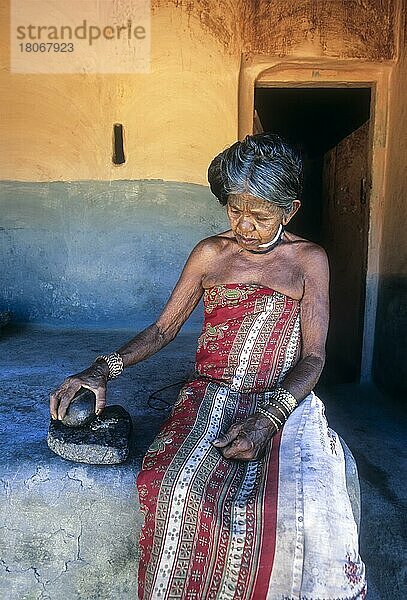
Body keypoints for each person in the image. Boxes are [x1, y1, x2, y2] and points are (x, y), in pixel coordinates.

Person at [50, 133, 366, 599]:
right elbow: (162, 330)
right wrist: (101, 368)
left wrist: (267, 420)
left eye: (260, 215)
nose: (244, 225)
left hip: (282, 401)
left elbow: (314, 357)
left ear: (290, 209)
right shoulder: (210, 254)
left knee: (307, 502)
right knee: (173, 489)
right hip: (210, 393)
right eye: (235, 210)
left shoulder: (308, 261)